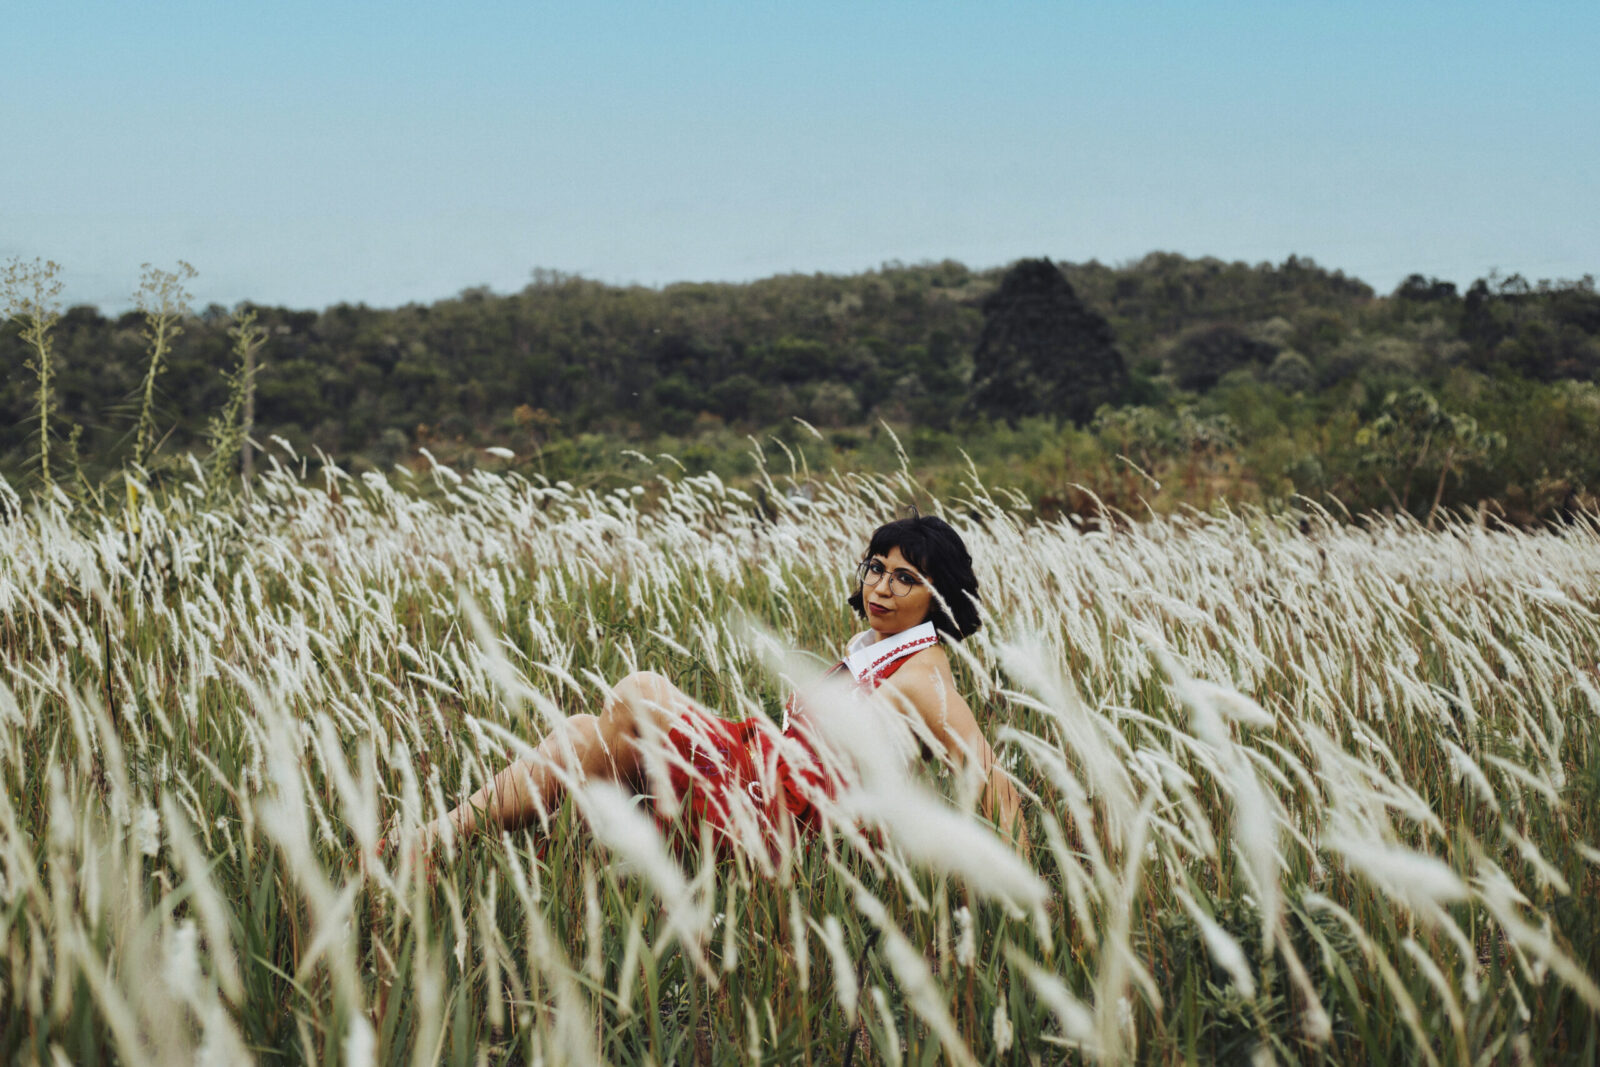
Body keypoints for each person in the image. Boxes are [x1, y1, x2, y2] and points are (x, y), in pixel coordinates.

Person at [408, 514, 1026, 861]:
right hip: (762, 776)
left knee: (642, 693)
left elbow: (986, 774)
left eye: (906, 578)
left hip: (789, 823)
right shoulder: (875, 652)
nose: (882, 588)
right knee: (582, 734)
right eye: (876, 568)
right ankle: (429, 846)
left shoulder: (922, 673)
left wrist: (1026, 901)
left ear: (937, 595)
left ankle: (615, 838)